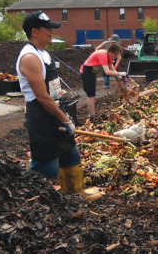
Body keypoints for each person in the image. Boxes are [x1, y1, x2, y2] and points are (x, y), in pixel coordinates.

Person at [16, 10, 85, 194]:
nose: (51, 31)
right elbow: (42, 97)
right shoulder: (30, 58)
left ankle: (76, 193)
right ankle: (41, 203)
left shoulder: (44, 53)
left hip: (55, 111)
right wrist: (65, 120)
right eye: (47, 28)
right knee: (47, 167)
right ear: (34, 32)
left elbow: (52, 90)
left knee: (71, 154)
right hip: (42, 118)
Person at [79, 42, 125, 117]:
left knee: (92, 92)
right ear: (110, 51)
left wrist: (120, 77)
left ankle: (90, 113)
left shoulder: (109, 56)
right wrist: (120, 74)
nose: (116, 56)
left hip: (92, 71)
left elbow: (112, 68)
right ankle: (92, 115)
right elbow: (107, 72)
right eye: (115, 54)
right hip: (86, 71)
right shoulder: (103, 55)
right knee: (90, 94)